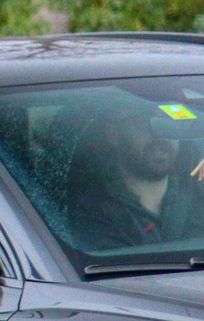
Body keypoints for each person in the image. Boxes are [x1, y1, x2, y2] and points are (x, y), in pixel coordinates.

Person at [66, 106, 204, 252]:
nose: (159, 136)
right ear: (114, 134)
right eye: (143, 122)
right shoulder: (87, 210)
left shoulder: (199, 194)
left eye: (167, 123)